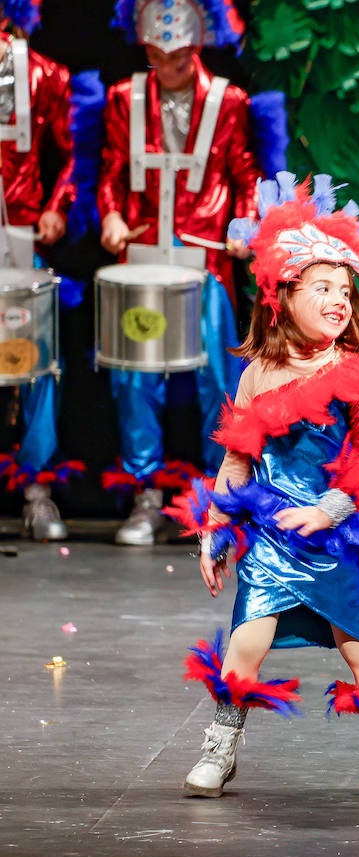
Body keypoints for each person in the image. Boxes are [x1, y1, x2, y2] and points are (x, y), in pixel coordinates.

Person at [168, 172, 359, 797]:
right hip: (275, 538)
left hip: (335, 537)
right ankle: (220, 748)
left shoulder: (358, 375)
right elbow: (236, 462)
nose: (339, 298)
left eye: (345, 289)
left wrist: (330, 512)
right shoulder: (258, 373)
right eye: (323, 287)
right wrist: (214, 529)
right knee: (243, 648)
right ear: (284, 295)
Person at [99, 0, 262, 545]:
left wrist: (245, 223)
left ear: (195, 49)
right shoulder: (124, 99)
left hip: (205, 260)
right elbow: (112, 172)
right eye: (153, 55)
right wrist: (114, 215)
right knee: (133, 374)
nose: (162, 66)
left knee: (219, 378)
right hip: (143, 259)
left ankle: (220, 500)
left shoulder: (229, 102)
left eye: (173, 57)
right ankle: (146, 495)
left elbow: (244, 173)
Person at [0, 0, 80, 540]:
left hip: (19, 235)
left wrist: (57, 204)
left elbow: (76, 154)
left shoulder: (44, 74)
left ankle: (36, 487)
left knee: (35, 359)